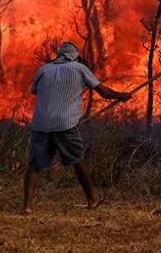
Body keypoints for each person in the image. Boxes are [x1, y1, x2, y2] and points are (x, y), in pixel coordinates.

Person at [22, 41, 131, 214]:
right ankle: (93, 198)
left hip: (40, 123)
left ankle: (27, 206)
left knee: (35, 164)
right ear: (75, 56)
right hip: (65, 124)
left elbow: (34, 91)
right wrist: (121, 96)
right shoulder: (79, 68)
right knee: (77, 160)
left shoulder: (44, 69)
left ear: (59, 55)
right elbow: (103, 92)